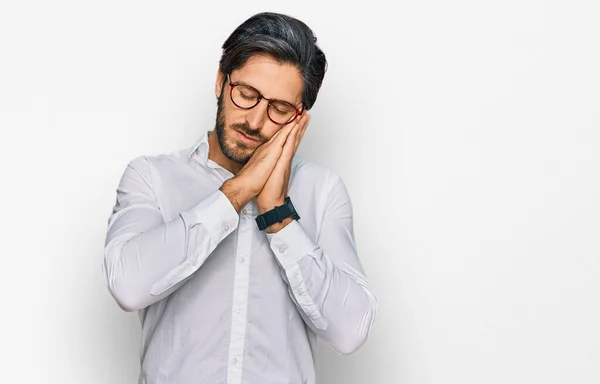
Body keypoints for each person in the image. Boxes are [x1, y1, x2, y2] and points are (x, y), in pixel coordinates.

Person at [102, 11, 378, 384]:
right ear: (220, 81)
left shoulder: (322, 191)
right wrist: (237, 192)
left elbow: (351, 330)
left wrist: (278, 215)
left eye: (279, 109)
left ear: (299, 119)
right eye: (246, 94)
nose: (255, 120)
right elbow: (128, 286)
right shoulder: (152, 178)